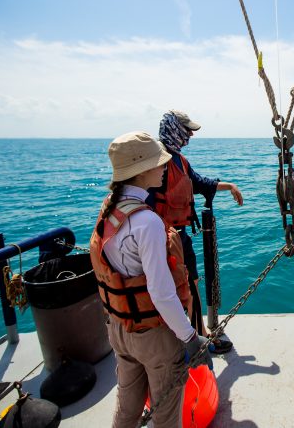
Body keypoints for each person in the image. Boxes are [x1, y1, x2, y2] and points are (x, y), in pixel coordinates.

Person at [89, 131, 212, 427]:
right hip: (154, 336)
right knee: (166, 416)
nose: (163, 168)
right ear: (141, 170)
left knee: (127, 410)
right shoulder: (147, 222)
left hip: (120, 330)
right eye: (159, 164)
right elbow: (161, 293)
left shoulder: (110, 208)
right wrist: (190, 337)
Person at [147, 110, 243, 353]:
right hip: (160, 239)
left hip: (180, 237)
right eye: (186, 130)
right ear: (174, 129)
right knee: (182, 288)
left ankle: (194, 335)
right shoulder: (156, 162)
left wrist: (230, 185)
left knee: (190, 286)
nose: (190, 135)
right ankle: (198, 340)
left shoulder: (180, 161)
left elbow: (201, 184)